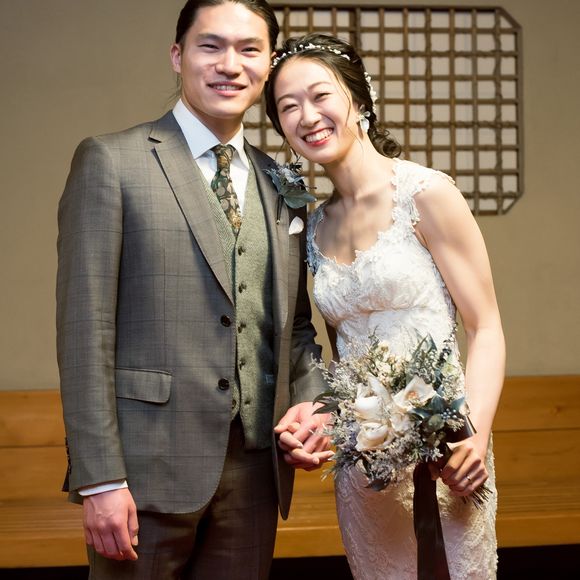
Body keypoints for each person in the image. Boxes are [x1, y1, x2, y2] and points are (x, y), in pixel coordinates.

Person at [56, 3, 331, 579]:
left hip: (255, 472)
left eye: (249, 49)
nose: (230, 64)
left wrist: (314, 403)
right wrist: (100, 479)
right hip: (143, 473)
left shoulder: (280, 180)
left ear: (267, 66)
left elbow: (295, 325)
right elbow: (85, 331)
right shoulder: (112, 161)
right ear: (178, 55)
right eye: (211, 46)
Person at [265, 33, 506, 579]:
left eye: (320, 95)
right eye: (288, 106)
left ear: (359, 99)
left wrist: (475, 436)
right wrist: (321, 418)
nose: (308, 116)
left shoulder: (425, 193)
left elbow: (486, 326)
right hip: (366, 463)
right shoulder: (313, 227)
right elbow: (342, 357)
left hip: (449, 447)